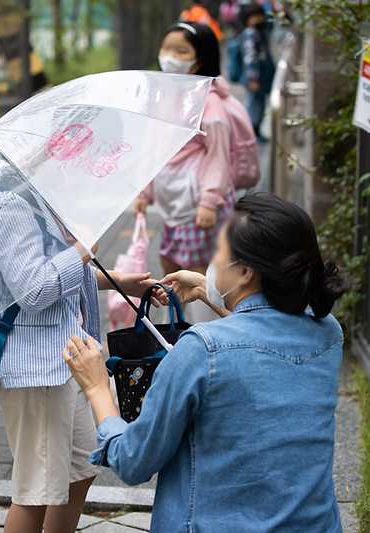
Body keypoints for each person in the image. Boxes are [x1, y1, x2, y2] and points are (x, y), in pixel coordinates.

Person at [63, 191, 349, 532]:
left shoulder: (200, 351)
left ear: (245, 271)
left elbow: (133, 461)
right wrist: (203, 288)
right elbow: (262, 332)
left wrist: (97, 387)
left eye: (218, 249)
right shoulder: (328, 334)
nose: (211, 258)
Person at [0, 182, 161, 533]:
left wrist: (117, 280)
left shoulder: (43, 195)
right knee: (35, 493)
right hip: (36, 368)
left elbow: (56, 269)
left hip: (63, 359)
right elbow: (33, 287)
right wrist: (81, 250)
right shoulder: (9, 206)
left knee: (79, 471)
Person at [137, 22, 234, 323]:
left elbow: (219, 155)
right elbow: (155, 147)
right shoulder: (166, 96)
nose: (170, 56)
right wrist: (145, 191)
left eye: (181, 50)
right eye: (167, 48)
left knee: (203, 273)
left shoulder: (210, 101)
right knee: (173, 267)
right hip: (174, 205)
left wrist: (210, 200)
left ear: (200, 58)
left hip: (199, 206)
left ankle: (209, 330)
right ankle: (177, 328)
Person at [241, 3, 275, 142]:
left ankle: (257, 131)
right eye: (254, 16)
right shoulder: (250, 34)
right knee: (254, 104)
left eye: (260, 15)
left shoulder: (261, 32)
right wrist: (252, 78)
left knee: (259, 104)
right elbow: (250, 57)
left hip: (263, 74)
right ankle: (250, 132)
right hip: (255, 76)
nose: (258, 19)